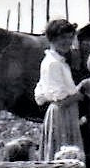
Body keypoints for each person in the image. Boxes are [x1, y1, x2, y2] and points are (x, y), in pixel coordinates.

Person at [34, 19, 83, 160]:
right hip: (62, 112)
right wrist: (80, 94)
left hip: (66, 111)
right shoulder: (53, 64)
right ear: (52, 39)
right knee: (63, 153)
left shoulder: (59, 61)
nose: (67, 42)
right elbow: (60, 99)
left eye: (70, 38)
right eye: (62, 38)